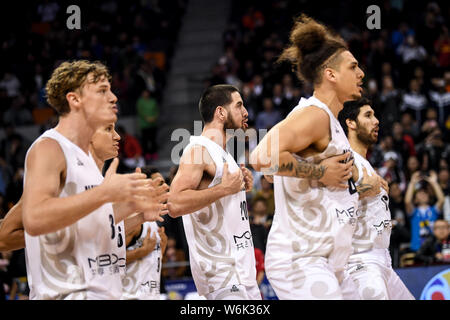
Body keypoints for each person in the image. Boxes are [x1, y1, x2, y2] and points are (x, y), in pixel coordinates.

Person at [250, 14, 380, 300]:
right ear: (330, 74)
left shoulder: (329, 121)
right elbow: (261, 157)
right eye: (353, 66)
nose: (361, 74)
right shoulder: (315, 115)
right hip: (302, 260)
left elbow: (281, 169)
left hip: (329, 262)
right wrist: (320, 172)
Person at [21, 60, 168, 300]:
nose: (113, 97)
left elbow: (91, 223)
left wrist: (134, 208)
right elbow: (34, 218)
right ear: (74, 100)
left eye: (110, 90)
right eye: (102, 91)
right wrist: (105, 193)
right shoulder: (49, 147)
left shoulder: (87, 159)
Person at [168, 84, 260, 300]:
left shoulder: (224, 154)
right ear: (220, 112)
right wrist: (224, 189)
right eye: (239, 106)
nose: (245, 112)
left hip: (243, 272)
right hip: (220, 275)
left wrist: (237, 188)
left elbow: (221, 200)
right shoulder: (197, 150)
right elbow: (174, 204)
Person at [337, 97, 414, 300]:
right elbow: (328, 201)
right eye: (368, 115)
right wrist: (362, 189)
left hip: (383, 259)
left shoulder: (365, 163)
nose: (377, 120)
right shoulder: (344, 157)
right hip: (361, 261)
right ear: (350, 123)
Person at [122, 166, 168, 300]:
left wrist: (161, 249)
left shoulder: (152, 220)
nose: (166, 186)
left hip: (151, 295)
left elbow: (150, 263)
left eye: (165, 182)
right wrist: (141, 251)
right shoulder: (132, 220)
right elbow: (110, 259)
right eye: (160, 183)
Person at [405, 171, 445, 252]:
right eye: (420, 193)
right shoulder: (414, 212)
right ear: (415, 198)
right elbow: (407, 201)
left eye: (425, 193)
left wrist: (434, 183)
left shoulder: (433, 210)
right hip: (417, 248)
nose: (423, 195)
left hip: (434, 248)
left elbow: (441, 200)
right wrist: (412, 183)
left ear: (429, 196)